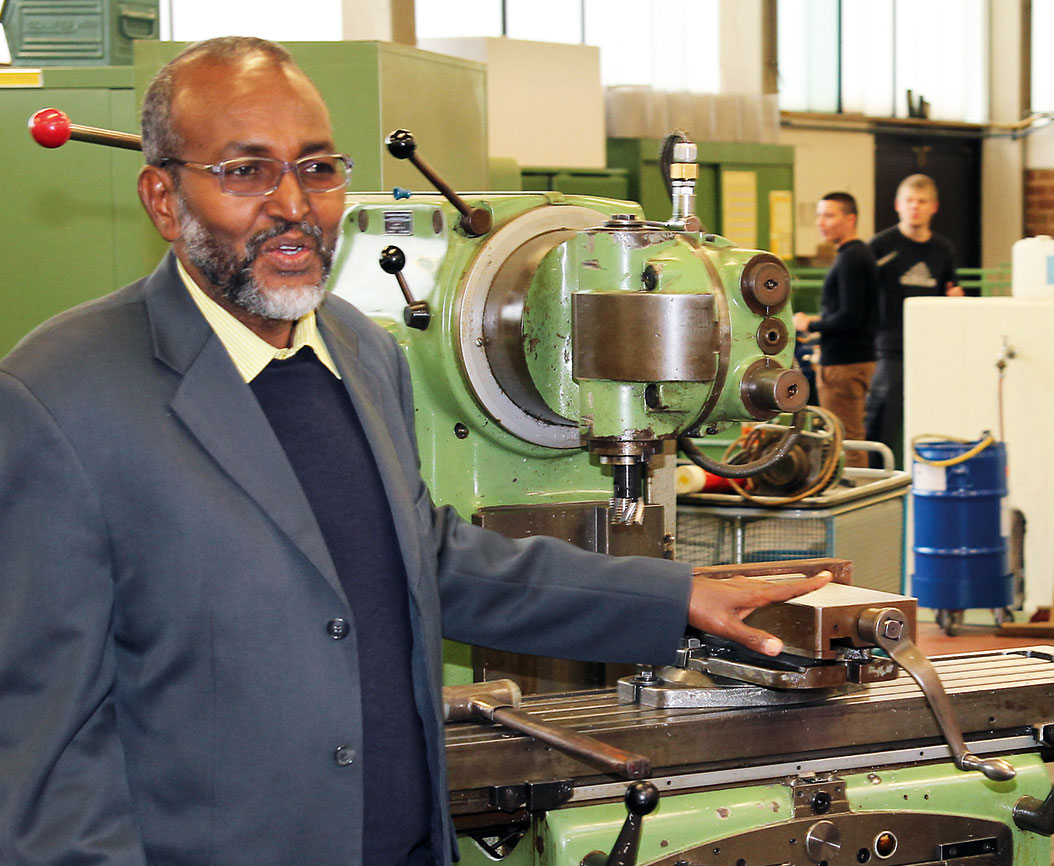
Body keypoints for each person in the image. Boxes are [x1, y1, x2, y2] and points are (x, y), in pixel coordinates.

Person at [0, 37, 828, 866]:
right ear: (161, 195)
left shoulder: (360, 353)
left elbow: (426, 561)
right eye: (246, 171)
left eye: (318, 168)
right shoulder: (64, 396)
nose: (294, 204)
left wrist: (674, 599)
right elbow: (42, 763)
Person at [865, 173, 972, 458]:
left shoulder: (943, 250)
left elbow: (951, 289)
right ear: (898, 205)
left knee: (934, 414)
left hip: (930, 347)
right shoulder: (879, 246)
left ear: (933, 207)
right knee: (882, 420)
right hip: (890, 348)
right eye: (909, 201)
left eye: (922, 201)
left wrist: (955, 299)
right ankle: (876, 480)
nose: (915, 207)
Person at [794, 192, 878, 467]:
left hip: (844, 363)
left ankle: (856, 500)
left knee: (846, 439)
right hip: (858, 357)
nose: (821, 222)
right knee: (849, 435)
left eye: (829, 215)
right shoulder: (857, 255)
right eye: (819, 215)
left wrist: (810, 324)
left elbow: (850, 317)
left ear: (850, 219)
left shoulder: (851, 259)